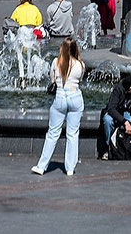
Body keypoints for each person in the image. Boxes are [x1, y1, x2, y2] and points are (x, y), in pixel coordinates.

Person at [31, 37, 86, 176]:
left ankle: (41, 166)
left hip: (60, 97)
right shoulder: (81, 64)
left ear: (62, 48)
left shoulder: (56, 62)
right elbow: (80, 79)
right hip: (75, 97)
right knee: (72, 134)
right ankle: (70, 168)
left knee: (53, 133)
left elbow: (52, 79)